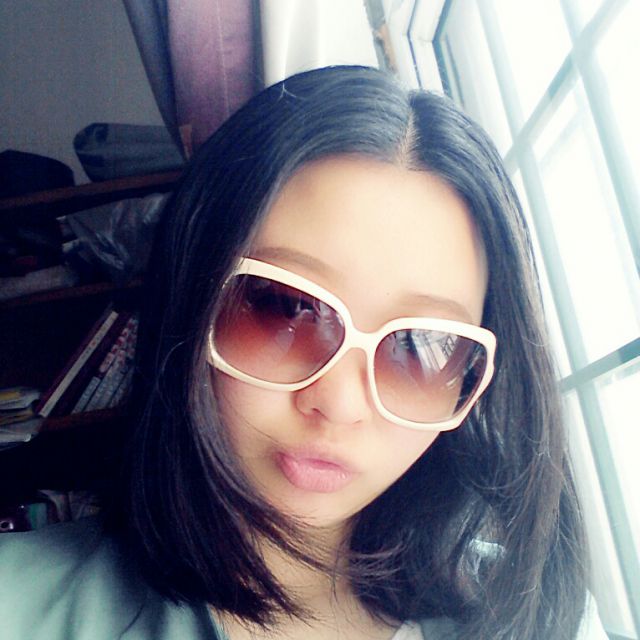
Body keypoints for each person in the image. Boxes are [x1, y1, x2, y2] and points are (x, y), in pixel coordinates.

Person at [0, 66, 608, 640]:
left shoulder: (529, 616)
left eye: (423, 343)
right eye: (282, 306)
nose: (341, 404)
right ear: (188, 299)